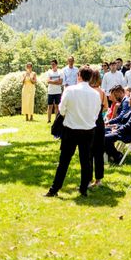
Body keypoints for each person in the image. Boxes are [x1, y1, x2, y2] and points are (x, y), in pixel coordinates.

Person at [46, 67, 101, 197]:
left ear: (79, 75)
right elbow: (96, 114)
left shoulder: (70, 90)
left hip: (71, 129)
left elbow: (62, 109)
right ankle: (83, 189)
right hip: (88, 130)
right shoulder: (95, 94)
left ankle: (54, 189)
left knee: (64, 161)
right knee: (85, 161)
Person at [104, 92, 131, 164]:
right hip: (124, 132)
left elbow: (129, 126)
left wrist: (117, 130)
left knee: (105, 138)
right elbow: (125, 123)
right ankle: (109, 155)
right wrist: (116, 126)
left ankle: (117, 156)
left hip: (127, 135)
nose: (129, 100)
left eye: (130, 99)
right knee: (103, 132)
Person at [89, 69, 109, 189]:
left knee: (89, 151)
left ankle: (88, 178)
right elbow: (106, 108)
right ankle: (99, 179)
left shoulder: (89, 91)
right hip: (100, 122)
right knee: (99, 151)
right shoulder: (102, 92)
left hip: (90, 121)